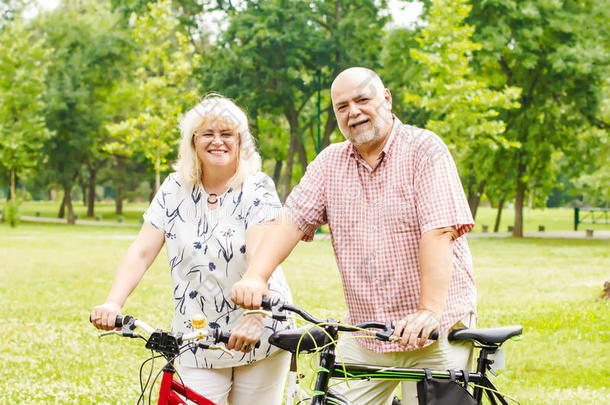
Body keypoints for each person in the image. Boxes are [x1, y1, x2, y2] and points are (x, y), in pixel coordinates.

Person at [230, 67, 477, 404]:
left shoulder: (424, 150)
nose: (353, 112)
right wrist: (256, 277)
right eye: (342, 107)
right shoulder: (330, 162)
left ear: (386, 99)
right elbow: (291, 221)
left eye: (362, 99)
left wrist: (429, 310)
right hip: (366, 332)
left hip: (434, 330)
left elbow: (440, 231)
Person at [90, 95, 292, 405]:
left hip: (258, 329)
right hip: (196, 336)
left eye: (227, 134)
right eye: (207, 134)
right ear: (193, 141)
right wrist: (113, 303)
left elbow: (258, 254)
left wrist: (255, 315)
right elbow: (141, 251)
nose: (217, 141)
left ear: (241, 141)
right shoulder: (174, 188)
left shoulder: (258, 187)